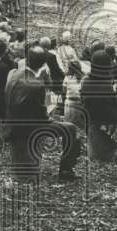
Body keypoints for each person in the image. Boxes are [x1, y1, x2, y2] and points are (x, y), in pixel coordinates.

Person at [5, 46, 81, 180]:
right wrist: (50, 113)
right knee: (71, 129)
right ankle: (66, 170)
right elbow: (41, 117)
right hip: (30, 127)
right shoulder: (37, 85)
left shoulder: (14, 74)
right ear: (43, 64)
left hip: (12, 121)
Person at [81, 51, 117, 162]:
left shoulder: (85, 81)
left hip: (91, 120)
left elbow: (83, 101)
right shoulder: (106, 83)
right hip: (110, 120)